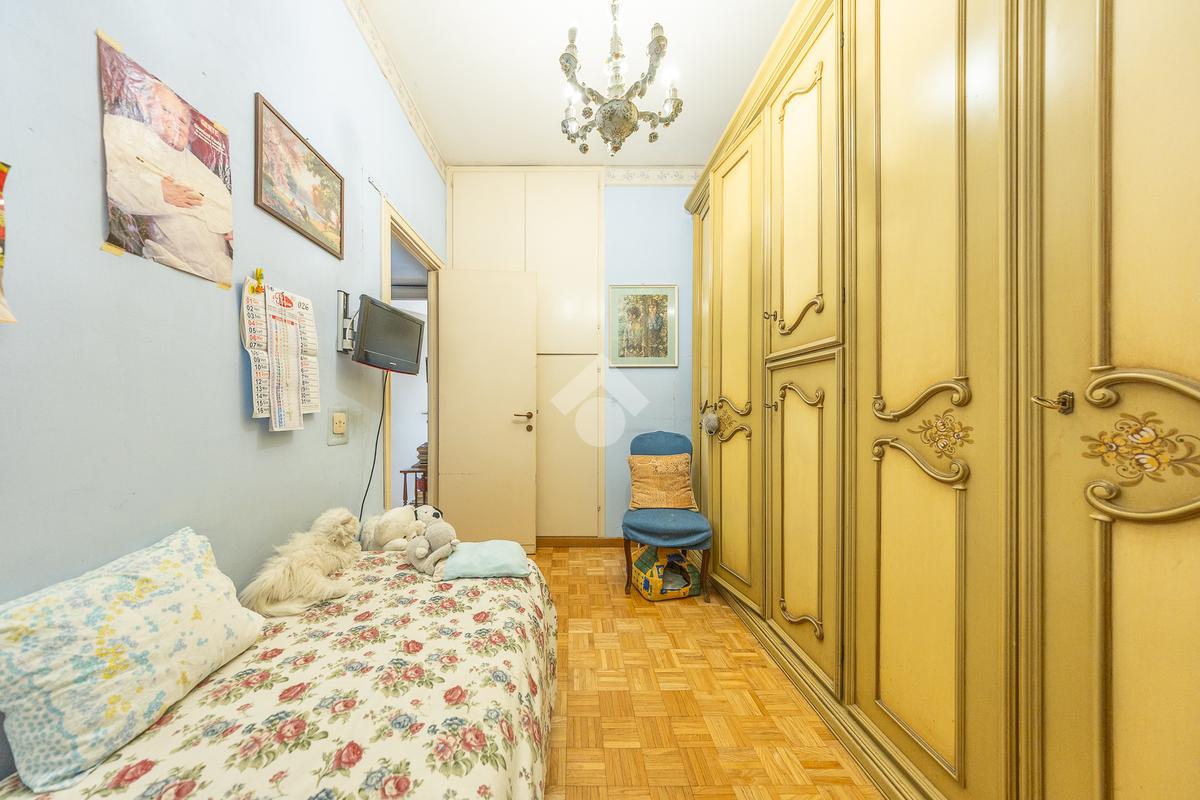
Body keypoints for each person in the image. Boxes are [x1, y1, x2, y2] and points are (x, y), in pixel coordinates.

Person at [102, 79, 233, 284]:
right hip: (166, 264)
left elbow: (225, 209)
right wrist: (159, 192)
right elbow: (109, 177)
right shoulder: (123, 130)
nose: (175, 122)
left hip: (219, 271)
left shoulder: (202, 170)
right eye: (165, 110)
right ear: (146, 108)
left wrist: (229, 226)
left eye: (182, 120)